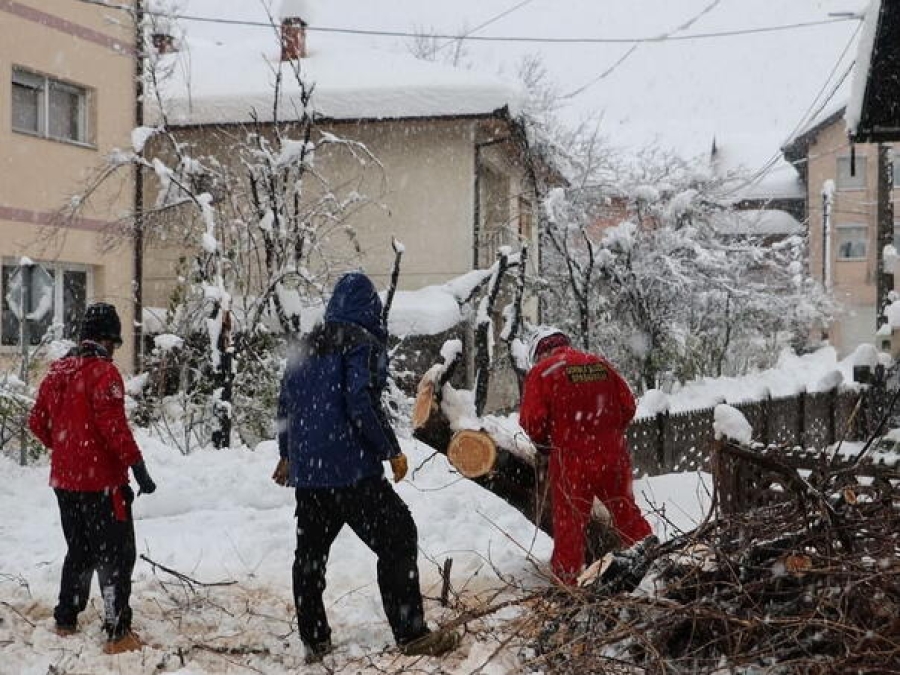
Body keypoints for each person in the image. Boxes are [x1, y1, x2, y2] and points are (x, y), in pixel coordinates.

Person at [272, 272, 459, 663]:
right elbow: (360, 401)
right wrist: (390, 449)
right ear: (370, 308)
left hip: (311, 476)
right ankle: (411, 634)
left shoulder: (306, 345)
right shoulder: (364, 343)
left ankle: (315, 640)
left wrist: (287, 455)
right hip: (352, 471)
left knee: (309, 558)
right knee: (398, 536)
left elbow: (286, 405)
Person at [28, 302, 157, 654]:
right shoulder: (104, 374)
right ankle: (118, 632)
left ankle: (65, 619)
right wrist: (137, 466)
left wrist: (66, 449)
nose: (115, 351)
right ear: (106, 339)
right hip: (102, 484)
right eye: (115, 343)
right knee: (115, 555)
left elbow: (37, 422)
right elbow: (113, 427)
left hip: (65, 483)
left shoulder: (58, 372)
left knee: (80, 551)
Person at [519, 328, 654, 585]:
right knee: (627, 513)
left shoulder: (543, 371)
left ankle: (568, 586)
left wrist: (545, 444)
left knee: (570, 527)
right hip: (614, 456)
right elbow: (628, 405)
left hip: (572, 460)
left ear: (541, 352)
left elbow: (532, 420)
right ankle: (656, 564)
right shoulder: (599, 364)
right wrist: (607, 433)